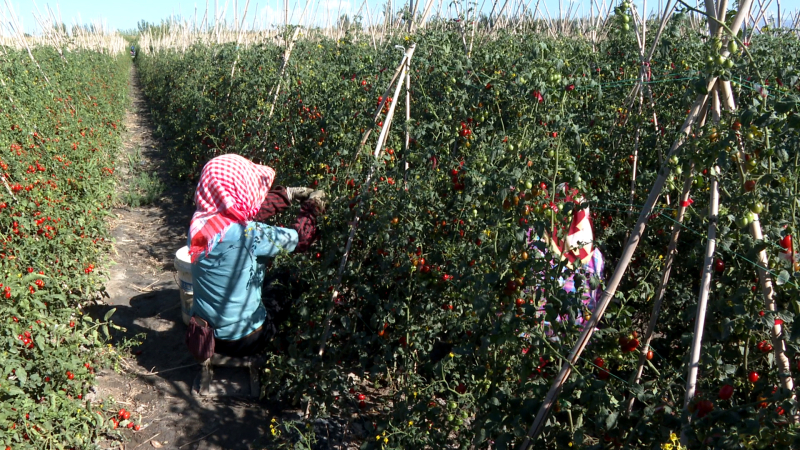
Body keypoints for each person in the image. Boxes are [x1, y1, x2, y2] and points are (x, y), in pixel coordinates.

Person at [186, 154, 324, 358]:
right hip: (243, 340)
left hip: (205, 333)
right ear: (238, 190)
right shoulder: (250, 234)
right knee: (284, 283)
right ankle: (286, 350)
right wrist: (312, 208)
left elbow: (245, 211)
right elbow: (300, 238)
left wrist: (287, 195)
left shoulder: (200, 224)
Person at [526, 183, 605, 336]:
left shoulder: (535, 244)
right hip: (578, 344)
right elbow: (596, 305)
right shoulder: (595, 257)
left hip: (538, 342)